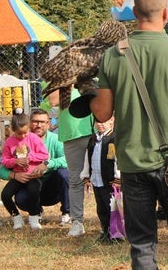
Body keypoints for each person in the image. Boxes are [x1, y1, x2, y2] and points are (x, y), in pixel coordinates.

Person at [90, 0, 168, 270]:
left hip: (133, 162)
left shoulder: (113, 55)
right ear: (166, 14)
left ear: (134, 13)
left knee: (143, 241)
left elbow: (103, 113)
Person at [0, 108, 71, 225]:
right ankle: (34, 212)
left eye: (42, 122)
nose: (39, 125)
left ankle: (67, 213)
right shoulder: (12, 141)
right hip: (26, 179)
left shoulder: (55, 139)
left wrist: (47, 164)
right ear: (29, 123)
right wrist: (14, 174)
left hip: (50, 184)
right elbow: (2, 168)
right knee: (14, 196)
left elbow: (66, 159)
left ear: (48, 123)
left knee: (64, 173)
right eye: (35, 121)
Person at [49, 87, 94, 237]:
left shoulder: (90, 79)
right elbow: (53, 101)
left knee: (106, 178)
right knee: (75, 179)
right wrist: (66, 81)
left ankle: (111, 221)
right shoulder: (62, 84)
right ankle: (77, 222)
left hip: (96, 133)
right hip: (71, 136)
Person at [1, 112, 49, 230]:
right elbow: (4, 161)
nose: (22, 136)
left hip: (33, 175)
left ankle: (34, 217)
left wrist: (30, 157)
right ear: (12, 130)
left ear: (29, 128)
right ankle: (16, 218)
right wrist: (15, 161)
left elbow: (44, 155)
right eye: (19, 134)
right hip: (19, 175)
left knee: (34, 191)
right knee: (5, 195)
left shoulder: (33, 138)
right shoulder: (9, 142)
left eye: (25, 133)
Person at [80, 117, 121, 243]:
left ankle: (116, 234)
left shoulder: (114, 139)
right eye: (98, 122)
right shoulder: (93, 139)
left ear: (112, 121)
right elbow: (87, 158)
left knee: (113, 207)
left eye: (103, 122)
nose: (100, 124)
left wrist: (117, 177)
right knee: (101, 208)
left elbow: (117, 159)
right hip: (97, 180)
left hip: (110, 181)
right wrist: (86, 176)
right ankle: (105, 231)